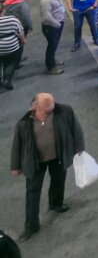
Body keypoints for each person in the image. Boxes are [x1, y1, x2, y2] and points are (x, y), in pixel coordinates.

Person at [10, 92, 84, 240]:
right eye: (47, 108)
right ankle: (31, 226)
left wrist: (79, 146)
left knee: (58, 180)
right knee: (32, 191)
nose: (51, 109)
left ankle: (56, 203)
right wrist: (15, 166)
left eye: (52, 106)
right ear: (35, 106)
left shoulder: (64, 111)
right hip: (36, 161)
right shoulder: (23, 124)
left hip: (57, 155)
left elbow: (76, 128)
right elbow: (17, 146)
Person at [39, 0, 65, 75]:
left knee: (54, 45)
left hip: (56, 25)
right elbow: (46, 16)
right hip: (51, 27)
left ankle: (52, 59)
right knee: (51, 46)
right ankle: (50, 67)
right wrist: (57, 24)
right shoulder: (46, 0)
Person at [0, 4, 25, 90]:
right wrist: (23, 41)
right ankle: (7, 80)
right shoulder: (12, 19)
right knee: (11, 63)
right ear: (3, 10)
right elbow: (20, 33)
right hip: (11, 47)